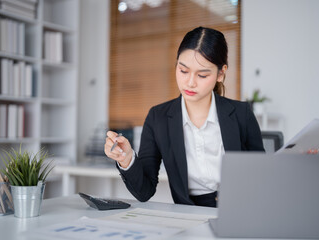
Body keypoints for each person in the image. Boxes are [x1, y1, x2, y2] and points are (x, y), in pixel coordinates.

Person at [105, 26, 264, 208]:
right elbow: (144, 192)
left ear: (221, 73)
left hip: (240, 210)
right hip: (190, 215)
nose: (190, 82)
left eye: (202, 75)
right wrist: (126, 159)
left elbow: (260, 177)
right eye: (183, 71)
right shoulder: (159, 118)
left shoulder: (241, 114)